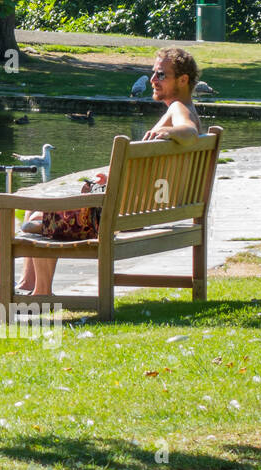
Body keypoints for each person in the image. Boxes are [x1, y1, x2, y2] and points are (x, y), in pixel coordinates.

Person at [15, 46, 202, 298]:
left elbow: (189, 131)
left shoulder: (179, 108)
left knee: (35, 218)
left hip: (117, 215)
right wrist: (112, 176)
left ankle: (40, 293)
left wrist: (166, 132)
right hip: (137, 211)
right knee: (35, 209)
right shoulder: (181, 108)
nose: (152, 80)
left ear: (183, 80)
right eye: (153, 74)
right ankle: (28, 285)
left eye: (160, 75)